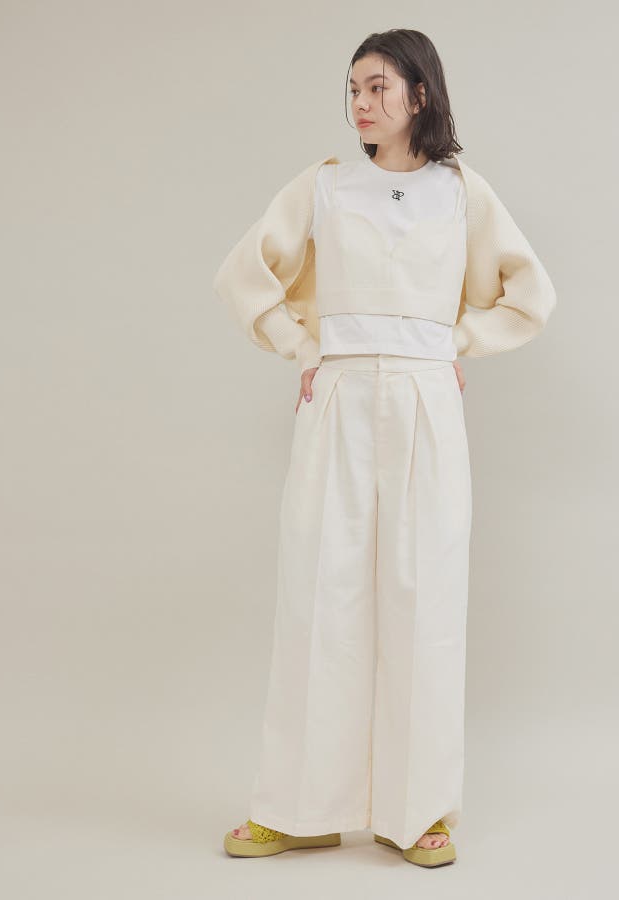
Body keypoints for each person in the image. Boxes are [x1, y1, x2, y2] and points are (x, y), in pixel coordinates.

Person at [212, 28, 557, 868]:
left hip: (425, 400)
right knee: (318, 592)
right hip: (336, 396)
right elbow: (243, 274)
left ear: (419, 95)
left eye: (377, 88)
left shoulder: (461, 192)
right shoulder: (326, 186)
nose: (361, 104)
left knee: (424, 594)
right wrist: (303, 346)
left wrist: (455, 343)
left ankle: (419, 810)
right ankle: (300, 808)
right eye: (353, 89)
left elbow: (529, 292)